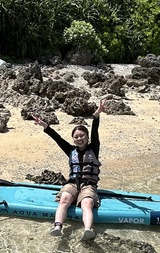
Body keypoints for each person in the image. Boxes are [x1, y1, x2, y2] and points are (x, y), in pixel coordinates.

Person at [32, 99, 107, 241]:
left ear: (87, 137)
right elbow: (57, 138)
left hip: (88, 186)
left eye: (82, 135)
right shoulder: (71, 150)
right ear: (73, 139)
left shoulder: (93, 149)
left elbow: (95, 131)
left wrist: (96, 115)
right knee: (64, 199)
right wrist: (45, 126)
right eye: (76, 137)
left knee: (87, 204)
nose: (79, 138)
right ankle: (57, 227)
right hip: (72, 184)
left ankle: (87, 230)